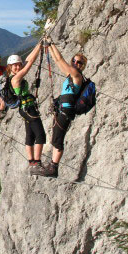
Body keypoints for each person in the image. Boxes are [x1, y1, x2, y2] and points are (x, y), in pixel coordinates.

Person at [33, 40, 88, 178]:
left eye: (79, 62)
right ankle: (52, 165)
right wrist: (49, 46)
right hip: (62, 109)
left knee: (58, 139)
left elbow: (59, 60)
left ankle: (53, 168)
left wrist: (51, 45)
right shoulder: (72, 76)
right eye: (74, 61)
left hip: (66, 111)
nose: (76, 63)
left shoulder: (77, 75)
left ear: (83, 66)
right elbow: (58, 61)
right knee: (56, 137)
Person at [3, 42, 47, 174]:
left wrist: (39, 44)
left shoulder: (11, 78)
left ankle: (31, 163)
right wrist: (40, 47)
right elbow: (30, 63)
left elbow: (27, 60)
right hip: (28, 109)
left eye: (18, 64)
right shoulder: (15, 78)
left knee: (30, 136)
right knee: (40, 135)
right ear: (10, 67)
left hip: (25, 109)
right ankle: (37, 164)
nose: (17, 67)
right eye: (14, 65)